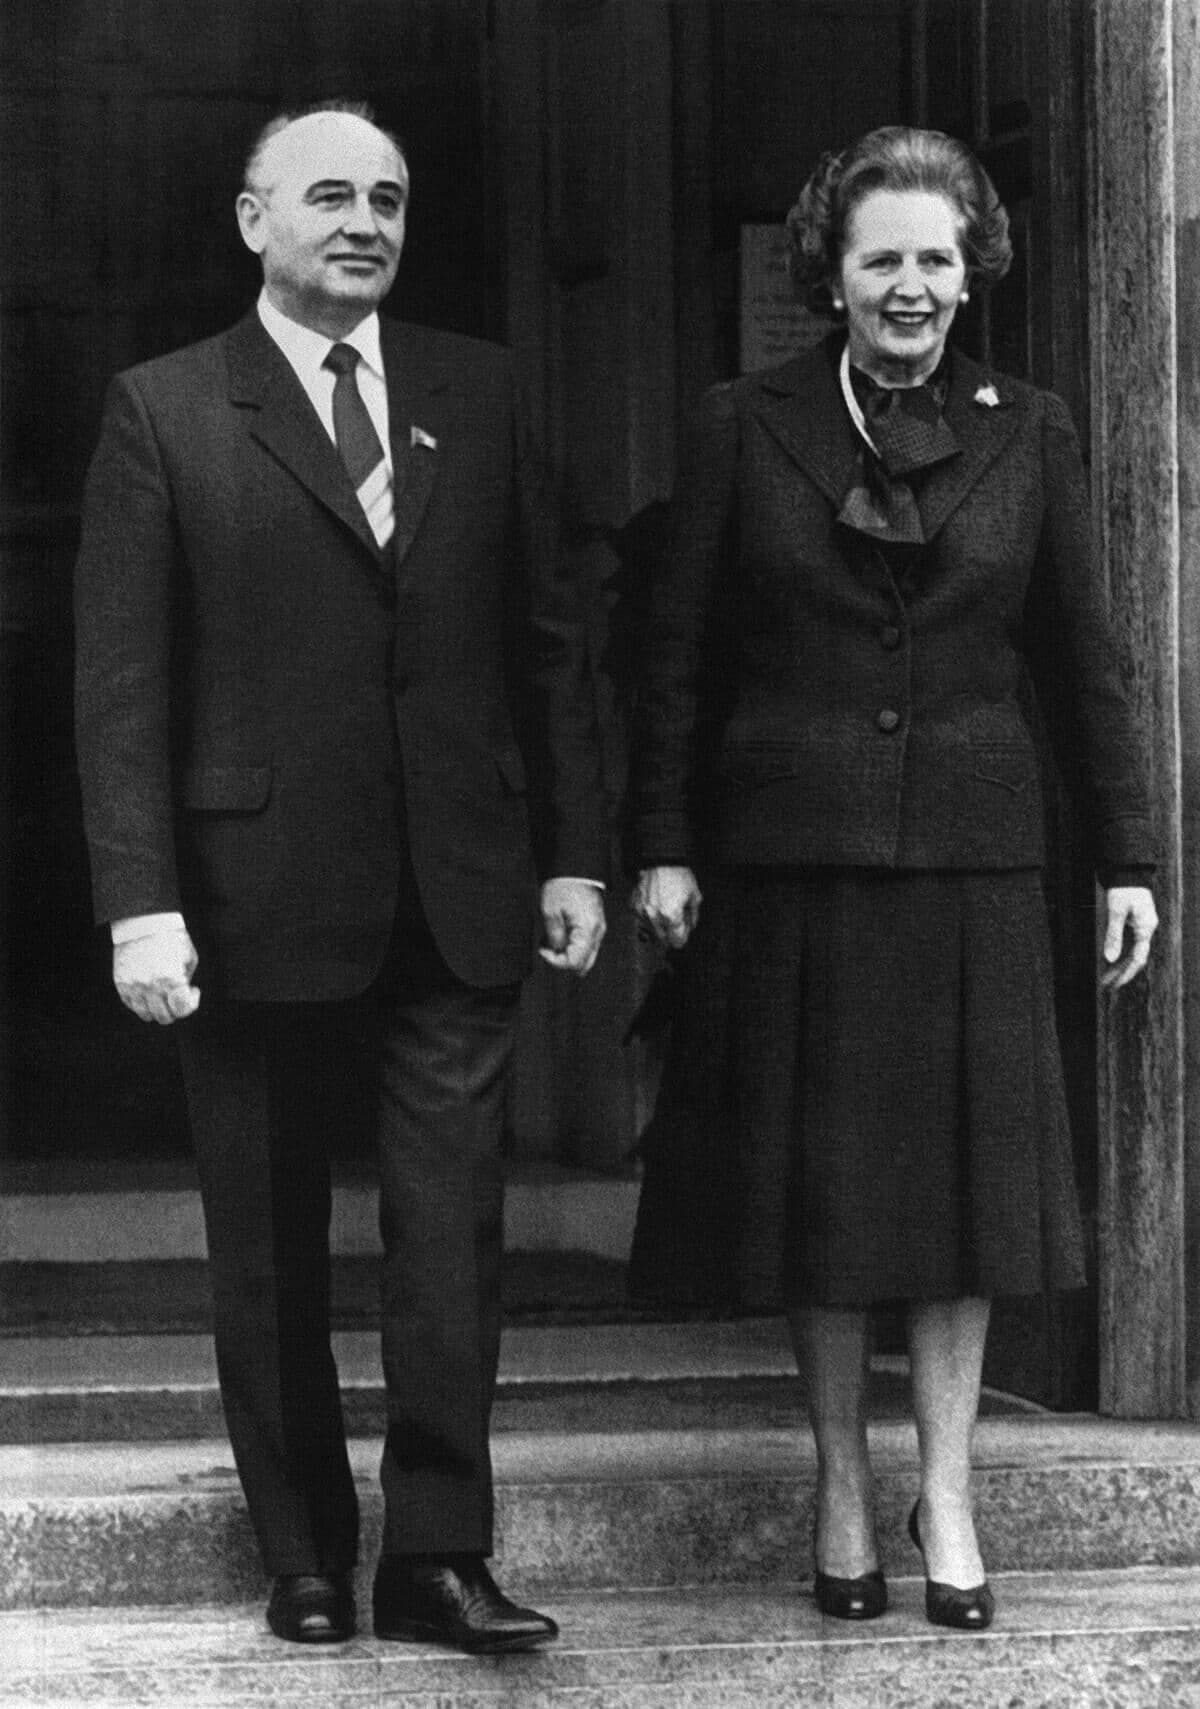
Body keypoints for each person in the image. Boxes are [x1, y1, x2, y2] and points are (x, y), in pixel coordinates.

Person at [73, 101, 608, 1653]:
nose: (364, 219)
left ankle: (436, 1555)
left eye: (388, 193)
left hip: (459, 887)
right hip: (245, 903)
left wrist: (575, 852)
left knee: (450, 1239)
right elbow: (120, 686)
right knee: (268, 1238)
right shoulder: (164, 411)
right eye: (329, 195)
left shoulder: (482, 394)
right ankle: (302, 1548)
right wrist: (138, 897)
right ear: (255, 221)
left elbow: (550, 646)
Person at [628, 125, 1157, 1632]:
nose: (911, 286)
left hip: (980, 862)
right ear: (833, 277)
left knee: (966, 1198)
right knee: (822, 1199)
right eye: (882, 261)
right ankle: (841, 1489)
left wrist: (1128, 853)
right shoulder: (747, 421)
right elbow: (681, 654)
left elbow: (1086, 658)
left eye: (936, 257)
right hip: (794, 857)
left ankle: (952, 1492)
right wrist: (659, 839)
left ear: (970, 265)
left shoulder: (1029, 424)